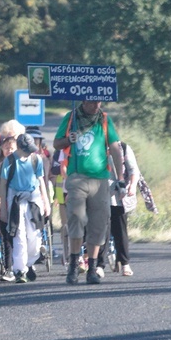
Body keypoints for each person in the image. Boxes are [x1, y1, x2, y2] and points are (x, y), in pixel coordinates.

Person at [53, 101, 124, 285]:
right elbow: (57, 143)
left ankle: (92, 268)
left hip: (100, 180)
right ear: (84, 100)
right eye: (92, 101)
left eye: (99, 101)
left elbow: (115, 148)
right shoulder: (71, 118)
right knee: (76, 218)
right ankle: (74, 265)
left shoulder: (105, 120)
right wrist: (69, 139)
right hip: (76, 177)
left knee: (99, 223)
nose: (96, 105)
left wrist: (120, 178)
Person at [0, 133, 50, 283]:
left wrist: (45, 202)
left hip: (33, 197)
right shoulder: (9, 161)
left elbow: (41, 181)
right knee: (19, 234)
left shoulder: (36, 159)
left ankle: (29, 263)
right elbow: (2, 185)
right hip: (15, 199)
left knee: (34, 235)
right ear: (20, 147)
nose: (30, 152)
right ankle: (19, 270)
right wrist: (3, 208)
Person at [97, 140, 139, 278]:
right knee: (102, 231)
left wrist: (132, 186)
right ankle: (99, 265)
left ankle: (125, 263)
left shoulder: (123, 148)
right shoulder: (94, 147)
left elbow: (133, 169)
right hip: (99, 195)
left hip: (118, 196)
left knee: (120, 231)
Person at [0, 120, 25, 281]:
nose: (9, 150)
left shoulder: (24, 161)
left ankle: (21, 266)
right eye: (6, 146)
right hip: (3, 203)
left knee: (19, 235)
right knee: (6, 236)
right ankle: (8, 268)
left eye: (12, 147)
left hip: (19, 203)